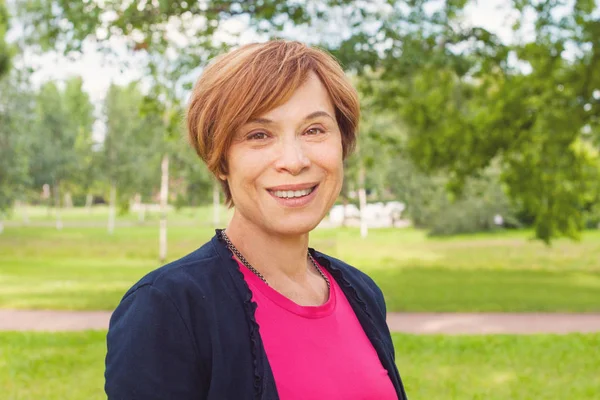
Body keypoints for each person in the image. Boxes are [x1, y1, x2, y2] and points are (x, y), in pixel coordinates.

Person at [105, 40, 408, 400]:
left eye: (314, 130)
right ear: (219, 159)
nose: (294, 161)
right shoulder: (167, 309)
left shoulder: (361, 293)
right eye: (259, 135)